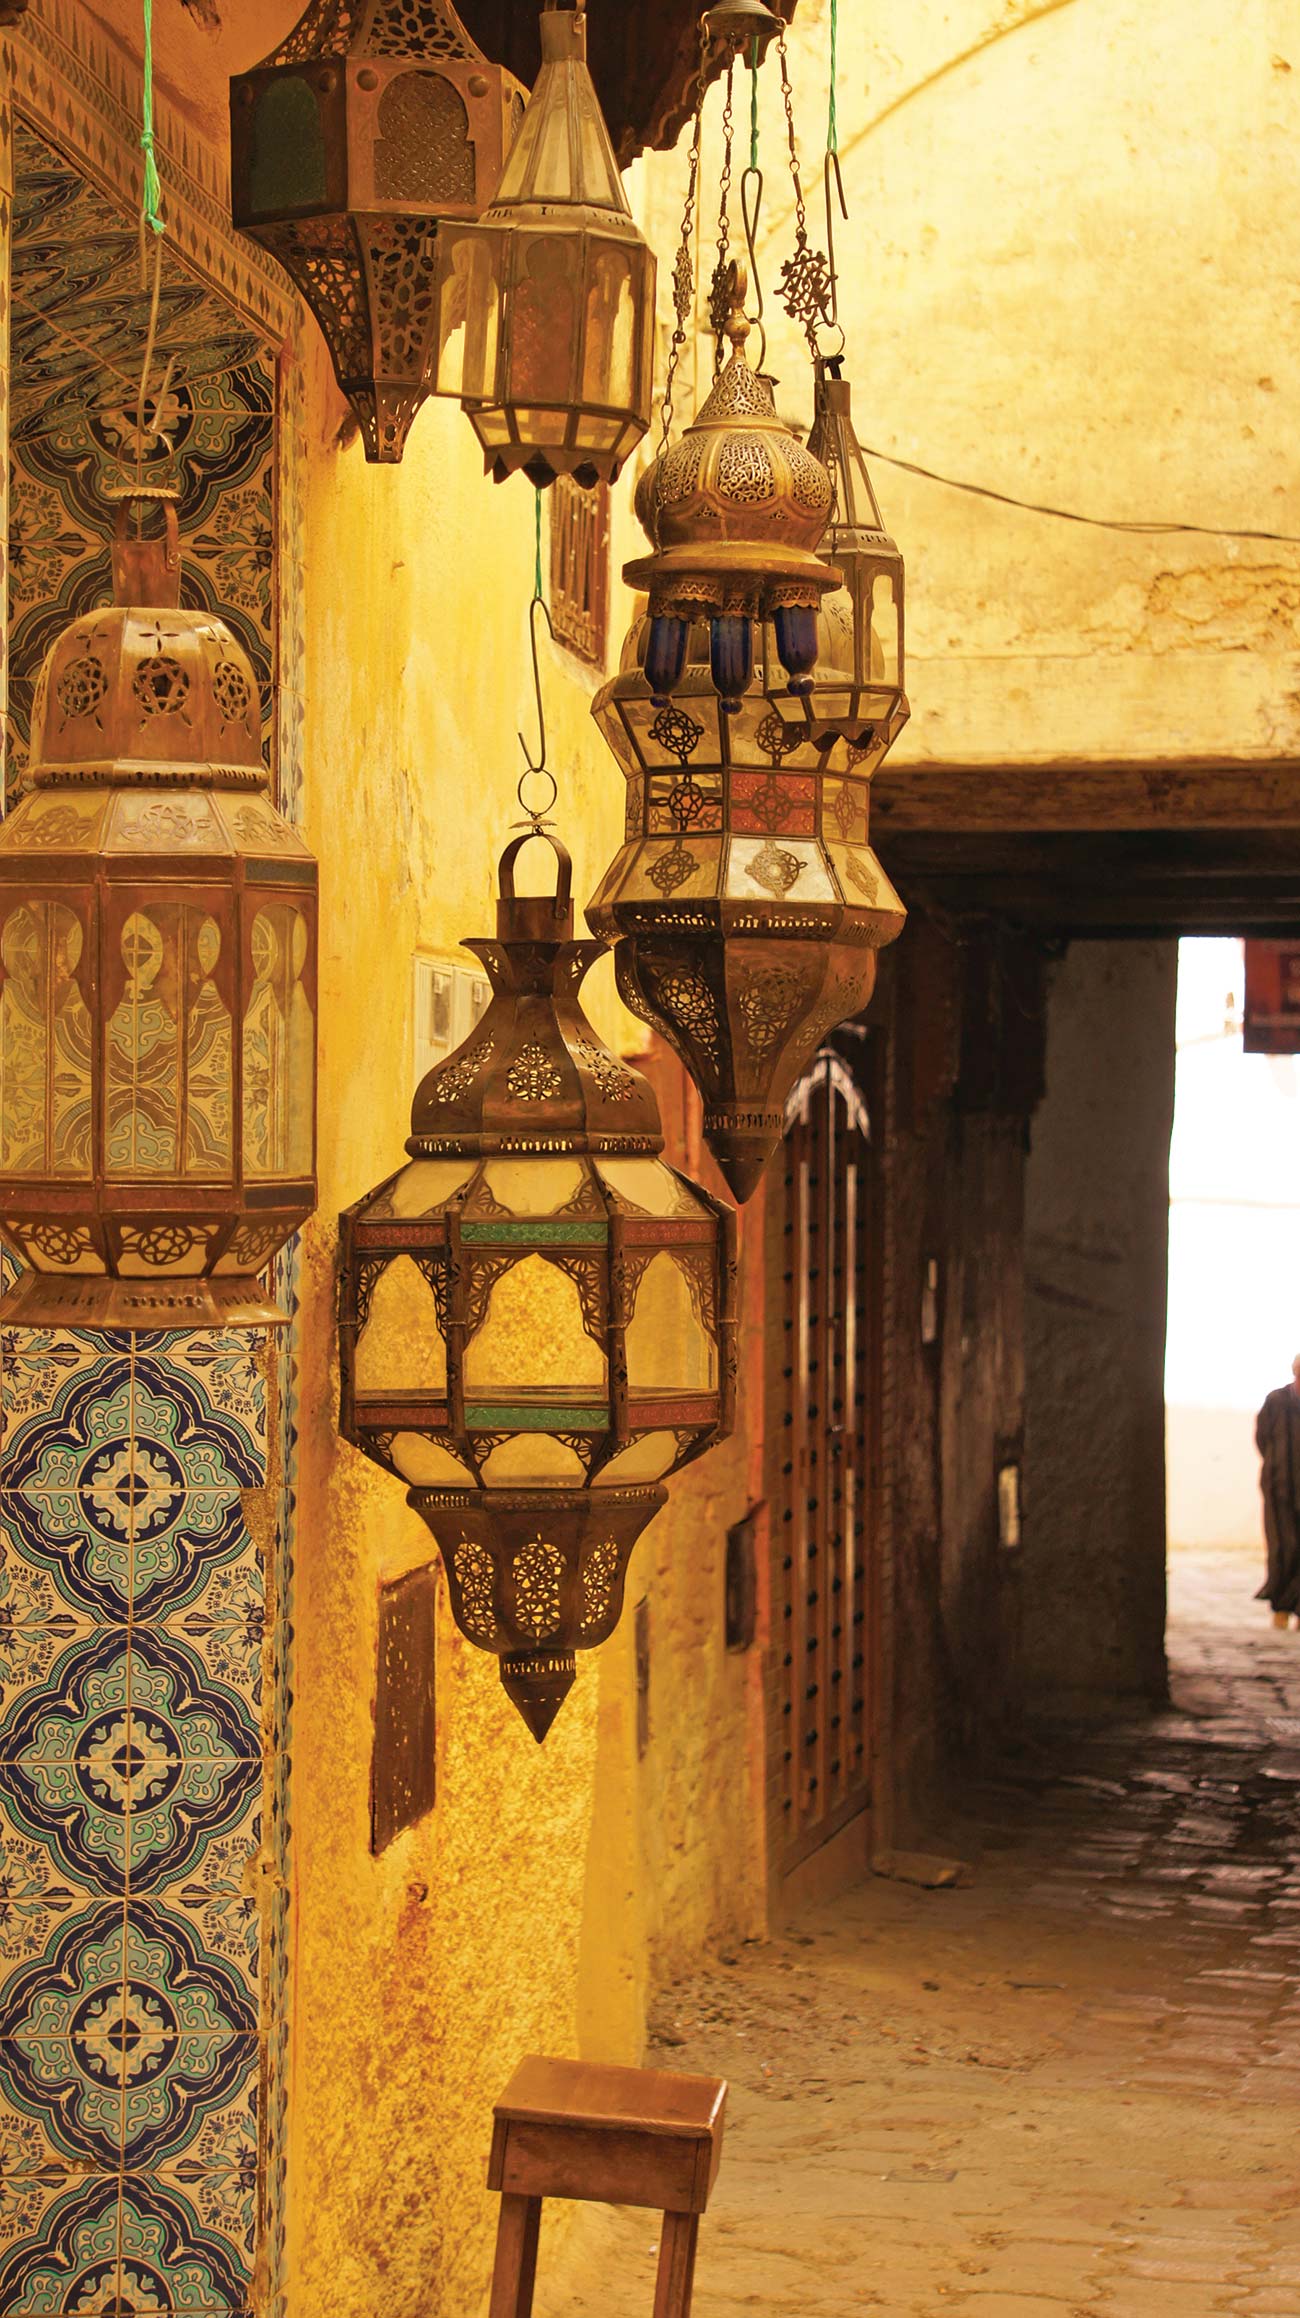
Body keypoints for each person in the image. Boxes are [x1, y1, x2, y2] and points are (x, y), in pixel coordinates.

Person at [1256, 1357, 1300, 1629]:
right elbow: (1263, 1439)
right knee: (1284, 1547)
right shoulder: (1276, 1401)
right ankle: (1282, 1607)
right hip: (1280, 1488)